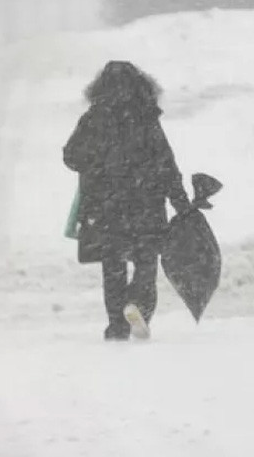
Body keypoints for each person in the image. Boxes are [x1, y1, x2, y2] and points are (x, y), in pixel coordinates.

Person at [63, 61, 189, 341]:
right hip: (147, 204)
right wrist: (180, 202)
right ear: (140, 84)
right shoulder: (146, 117)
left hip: (107, 206)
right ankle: (138, 304)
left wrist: (96, 164)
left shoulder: (93, 118)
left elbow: (71, 156)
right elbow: (166, 163)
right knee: (146, 263)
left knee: (113, 267)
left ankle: (116, 325)